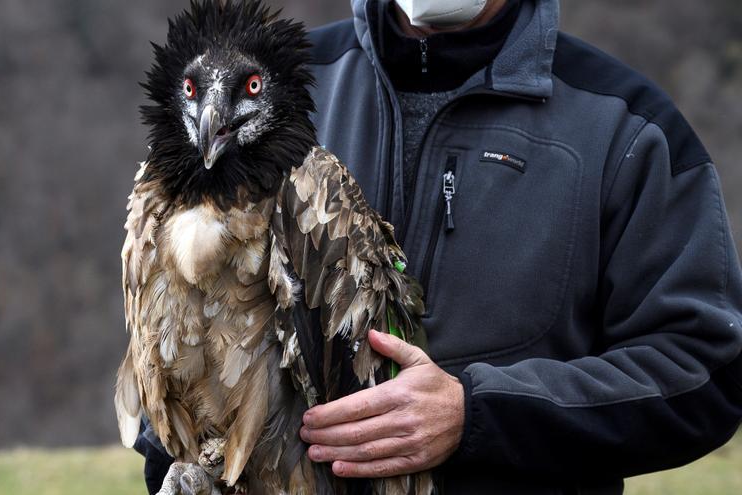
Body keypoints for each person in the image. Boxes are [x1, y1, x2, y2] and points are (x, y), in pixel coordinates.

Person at [136, 1, 742, 493]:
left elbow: (705, 371)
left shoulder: (625, 126)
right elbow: (180, 326)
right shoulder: (278, 77)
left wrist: (478, 414)